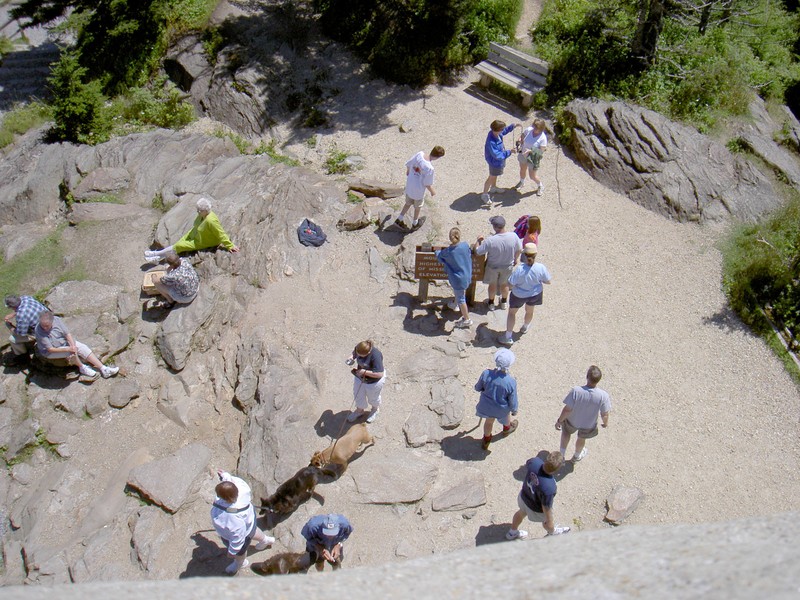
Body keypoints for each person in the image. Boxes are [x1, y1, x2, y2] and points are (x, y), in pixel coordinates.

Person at [211, 470, 275, 575]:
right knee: (252, 531)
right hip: (249, 521)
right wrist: (226, 477)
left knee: (240, 551)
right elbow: (233, 483)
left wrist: (233, 551)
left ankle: (240, 562)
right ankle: (265, 540)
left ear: (225, 499)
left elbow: (238, 537)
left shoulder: (232, 518)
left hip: (239, 534)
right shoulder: (242, 488)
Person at [144, 197, 239, 263]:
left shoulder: (211, 220)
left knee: (178, 245)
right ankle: (158, 257)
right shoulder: (202, 215)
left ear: (205, 210)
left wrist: (229, 245)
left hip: (202, 241)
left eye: (199, 210)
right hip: (194, 233)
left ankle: (156, 254)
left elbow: (220, 233)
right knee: (179, 244)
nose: (197, 212)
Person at [34, 311, 119, 379]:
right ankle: (82, 367)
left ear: (52, 321)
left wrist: (73, 346)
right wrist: (69, 349)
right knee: (71, 354)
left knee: (82, 348)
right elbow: (50, 349)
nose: (45, 328)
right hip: (51, 351)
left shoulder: (57, 320)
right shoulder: (39, 331)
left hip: (63, 342)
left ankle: (103, 369)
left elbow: (67, 334)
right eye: (43, 325)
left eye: (47, 326)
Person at [506, 451, 571, 540]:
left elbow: (528, 462)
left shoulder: (535, 462)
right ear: (556, 470)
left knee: (520, 513)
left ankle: (512, 532)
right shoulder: (550, 487)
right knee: (546, 522)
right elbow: (546, 507)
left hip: (524, 496)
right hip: (535, 508)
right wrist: (550, 521)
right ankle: (552, 533)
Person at [555, 365, 612, 463]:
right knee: (581, 439)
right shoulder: (603, 396)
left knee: (566, 433)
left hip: (572, 420)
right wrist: (605, 423)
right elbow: (604, 413)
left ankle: (561, 456)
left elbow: (567, 410)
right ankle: (576, 456)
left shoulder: (576, 391)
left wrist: (559, 420)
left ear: (587, 377)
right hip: (588, 424)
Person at [501, 243, 551, 346]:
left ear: (524, 254)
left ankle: (508, 336)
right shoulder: (540, 267)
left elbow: (510, 284)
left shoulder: (520, 269)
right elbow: (548, 281)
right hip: (535, 294)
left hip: (519, 295)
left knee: (512, 313)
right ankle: (525, 327)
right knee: (529, 311)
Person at [473, 215, 522, 311]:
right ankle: (504, 302)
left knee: (492, 285)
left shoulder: (490, 240)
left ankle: (491, 303)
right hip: (508, 265)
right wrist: (515, 259)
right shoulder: (513, 236)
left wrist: (478, 241)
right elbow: (519, 249)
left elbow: (477, 252)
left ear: (495, 227)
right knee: (505, 284)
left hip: (493, 267)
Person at [474, 348, 518, 451]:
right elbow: (512, 399)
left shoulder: (486, 373)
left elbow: (477, 387)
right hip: (501, 409)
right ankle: (507, 429)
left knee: (489, 422)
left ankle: (486, 439)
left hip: (487, 406)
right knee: (506, 417)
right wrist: (514, 410)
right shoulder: (511, 382)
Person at [395, 146, 445, 230]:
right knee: (417, 207)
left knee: (407, 203)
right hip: (418, 191)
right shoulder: (430, 168)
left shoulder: (419, 154)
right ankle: (415, 223)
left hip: (410, 186)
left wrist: (408, 171)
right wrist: (432, 191)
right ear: (437, 157)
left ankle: (399, 218)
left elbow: (409, 163)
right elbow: (427, 183)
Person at [435, 227, 473, 329]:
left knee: (461, 298)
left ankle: (466, 319)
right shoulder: (465, 245)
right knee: (459, 293)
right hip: (467, 275)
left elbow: (439, 257)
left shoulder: (448, 251)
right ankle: (454, 303)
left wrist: (437, 251)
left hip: (457, 279)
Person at [346, 340, 386, 423]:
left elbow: (379, 374)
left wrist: (364, 372)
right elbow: (355, 353)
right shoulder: (360, 347)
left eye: (361, 355)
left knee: (373, 397)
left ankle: (375, 410)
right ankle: (359, 411)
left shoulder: (376, 355)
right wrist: (351, 358)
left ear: (368, 353)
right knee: (358, 394)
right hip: (360, 376)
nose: (358, 356)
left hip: (374, 381)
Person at [482, 120, 519, 206]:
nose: (503, 130)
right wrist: (510, 152)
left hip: (497, 162)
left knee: (494, 175)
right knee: (491, 177)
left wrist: (513, 126)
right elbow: (497, 155)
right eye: (501, 129)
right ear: (497, 130)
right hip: (494, 162)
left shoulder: (494, 134)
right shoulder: (491, 142)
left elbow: (504, 131)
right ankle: (484, 194)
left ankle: (493, 187)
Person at [4, 294, 48, 361]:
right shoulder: (26, 298)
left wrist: (9, 326)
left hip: (42, 331)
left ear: (12, 307)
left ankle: (23, 357)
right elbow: (25, 308)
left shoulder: (21, 316)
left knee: (12, 339)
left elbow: (20, 333)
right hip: (48, 318)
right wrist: (13, 314)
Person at [514, 118, 548, 196]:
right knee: (522, 169)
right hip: (523, 154)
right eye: (534, 126)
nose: (534, 129)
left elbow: (541, 151)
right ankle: (522, 182)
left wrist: (530, 151)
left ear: (541, 129)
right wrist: (519, 141)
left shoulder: (543, 138)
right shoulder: (529, 130)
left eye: (536, 128)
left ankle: (540, 186)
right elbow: (522, 137)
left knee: (532, 176)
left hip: (533, 158)